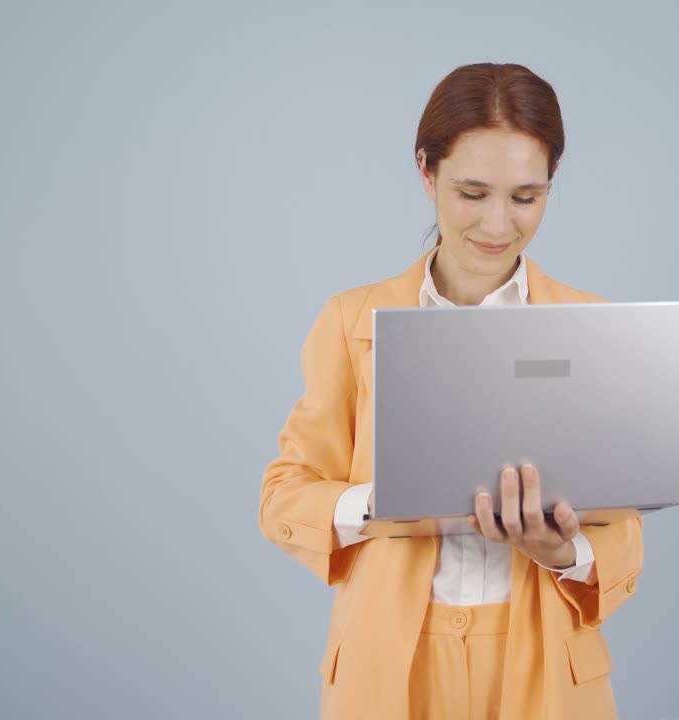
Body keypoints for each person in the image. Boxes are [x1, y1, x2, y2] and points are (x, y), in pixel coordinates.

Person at [260, 62, 644, 720]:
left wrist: (561, 550)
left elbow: (623, 529)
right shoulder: (350, 321)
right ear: (426, 172)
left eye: (527, 197)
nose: (499, 224)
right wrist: (388, 498)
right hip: (394, 667)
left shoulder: (589, 325)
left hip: (544, 667)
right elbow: (284, 497)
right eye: (472, 192)